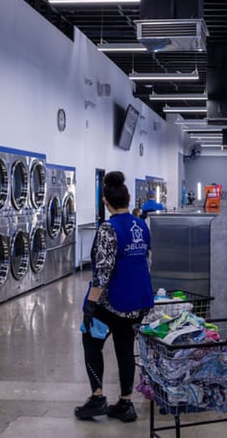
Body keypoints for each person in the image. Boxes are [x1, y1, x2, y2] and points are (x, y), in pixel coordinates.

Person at [74, 171, 154, 423]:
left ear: (106, 202)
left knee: (91, 342)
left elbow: (103, 271)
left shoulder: (108, 228)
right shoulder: (141, 224)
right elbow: (145, 260)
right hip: (137, 302)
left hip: (112, 304)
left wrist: (90, 304)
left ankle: (97, 397)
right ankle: (126, 403)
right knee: (124, 349)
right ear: (129, 198)